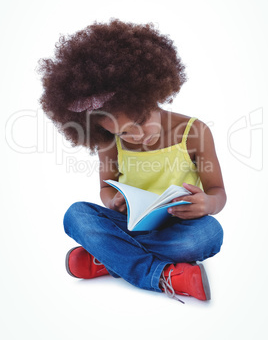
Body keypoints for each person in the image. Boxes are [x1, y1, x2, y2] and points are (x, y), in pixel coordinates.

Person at [38, 19, 226, 303]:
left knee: (208, 235)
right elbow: (105, 190)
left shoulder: (194, 132)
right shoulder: (109, 143)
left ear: (153, 95)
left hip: (179, 226)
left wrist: (207, 204)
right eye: (124, 131)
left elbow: (218, 193)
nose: (137, 136)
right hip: (130, 222)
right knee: (75, 215)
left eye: (140, 121)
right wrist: (112, 201)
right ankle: (163, 276)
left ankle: (107, 257)